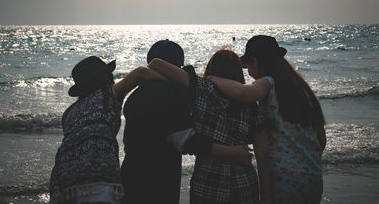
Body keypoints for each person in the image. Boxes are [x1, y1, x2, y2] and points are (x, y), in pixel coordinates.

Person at [121, 40, 254, 204]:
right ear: (178, 66)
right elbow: (187, 141)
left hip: (133, 174)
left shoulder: (135, 97)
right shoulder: (176, 95)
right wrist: (233, 152)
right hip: (163, 180)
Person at [208, 35, 326, 204]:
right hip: (313, 176)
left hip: (285, 178)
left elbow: (242, 92)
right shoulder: (302, 89)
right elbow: (321, 139)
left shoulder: (267, 83)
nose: (248, 72)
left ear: (255, 62)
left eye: (247, 66)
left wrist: (211, 79)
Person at [148, 49, 268, 204]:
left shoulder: (201, 88)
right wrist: (267, 197)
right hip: (244, 182)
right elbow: (262, 153)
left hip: (208, 180)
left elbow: (155, 63)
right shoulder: (251, 102)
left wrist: (209, 78)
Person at [49, 56, 165, 204]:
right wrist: (175, 86)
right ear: (105, 77)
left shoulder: (70, 111)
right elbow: (141, 73)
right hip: (96, 174)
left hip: (61, 178)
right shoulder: (107, 94)